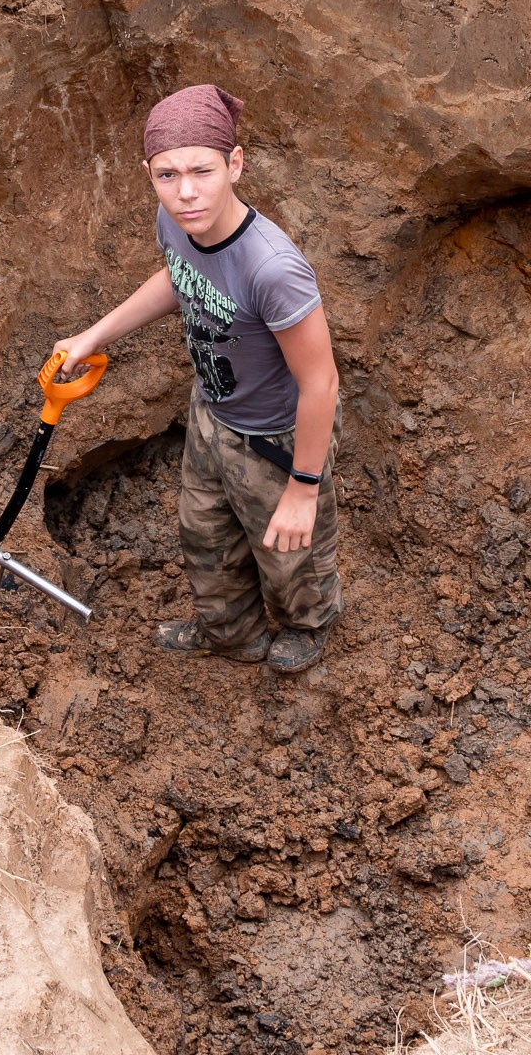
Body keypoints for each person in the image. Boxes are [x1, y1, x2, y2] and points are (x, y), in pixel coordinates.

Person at [52, 85, 342, 674]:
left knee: (289, 553)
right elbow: (177, 277)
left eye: (203, 171)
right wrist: (96, 335)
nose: (186, 192)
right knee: (204, 537)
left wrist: (303, 489)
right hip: (211, 414)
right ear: (149, 174)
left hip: (275, 438)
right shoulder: (175, 219)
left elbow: (322, 384)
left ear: (235, 164)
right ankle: (231, 632)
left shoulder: (272, 268)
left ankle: (307, 627)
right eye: (167, 175)